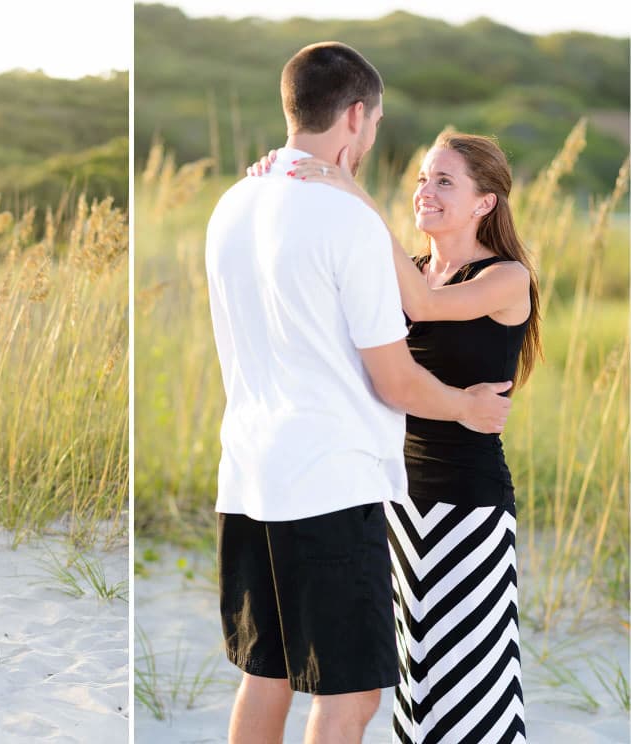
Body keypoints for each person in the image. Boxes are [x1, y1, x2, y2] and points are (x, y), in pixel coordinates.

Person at [204, 43, 514, 744]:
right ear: (354, 116)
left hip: (248, 473)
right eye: (373, 124)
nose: (371, 138)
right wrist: (466, 406)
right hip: (328, 482)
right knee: (350, 697)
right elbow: (395, 378)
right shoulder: (347, 221)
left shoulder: (233, 202)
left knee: (266, 676)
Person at [269, 132, 536, 742]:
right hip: (395, 500)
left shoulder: (506, 277)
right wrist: (276, 180)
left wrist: (354, 196)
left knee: (471, 685)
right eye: (421, 178)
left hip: (468, 506)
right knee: (417, 685)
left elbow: (427, 306)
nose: (425, 192)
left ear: (484, 204)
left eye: (445, 181)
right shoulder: (409, 268)